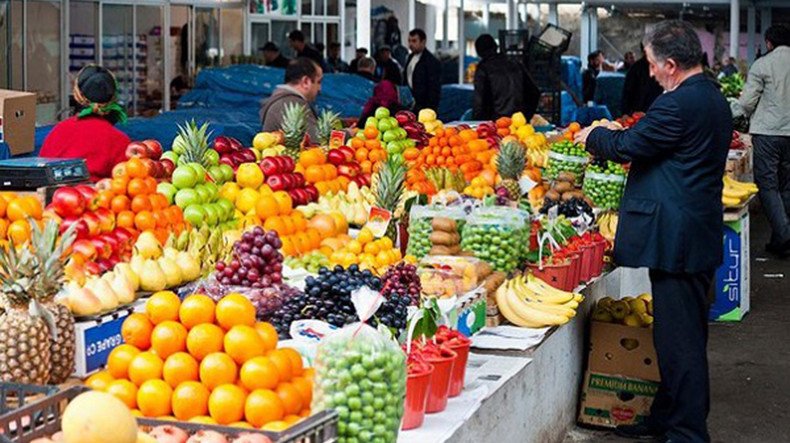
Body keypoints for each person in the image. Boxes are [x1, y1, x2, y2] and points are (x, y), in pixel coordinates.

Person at [574, 20, 732, 443]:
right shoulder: (710, 97)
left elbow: (628, 147)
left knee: (680, 345)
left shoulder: (678, 105)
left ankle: (686, 433)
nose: (649, 74)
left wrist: (596, 136)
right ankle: (666, 419)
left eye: (651, 65)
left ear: (672, 64)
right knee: (680, 337)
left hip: (677, 241)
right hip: (694, 234)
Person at [734, 24, 790, 255]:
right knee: (787, 186)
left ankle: (785, 235)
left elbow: (746, 104)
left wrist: (730, 114)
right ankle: (779, 240)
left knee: (768, 185)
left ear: (768, 42)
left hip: (768, 132)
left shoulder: (763, 64)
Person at [41, 65, 130, 182]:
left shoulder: (58, 132)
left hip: (55, 197)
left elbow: (40, 172)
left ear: (77, 95)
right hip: (100, 198)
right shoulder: (120, 141)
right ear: (114, 99)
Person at [472, 34, 540, 121]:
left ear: (478, 52)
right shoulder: (515, 63)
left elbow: (479, 103)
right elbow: (534, 92)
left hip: (496, 125)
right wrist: (525, 116)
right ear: (496, 47)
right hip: (518, 123)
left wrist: (478, 124)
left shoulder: (483, 68)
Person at [260, 57, 322, 143]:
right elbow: (317, 140)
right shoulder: (292, 105)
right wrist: (347, 133)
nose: (320, 88)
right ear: (306, 81)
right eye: (318, 82)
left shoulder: (283, 100)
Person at [404, 28, 442, 113]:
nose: (410, 44)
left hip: (425, 106)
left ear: (423, 42)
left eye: (414, 41)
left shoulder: (431, 62)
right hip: (410, 104)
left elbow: (434, 89)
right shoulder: (410, 58)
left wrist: (430, 110)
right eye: (409, 41)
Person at [621, 44, 664, 114]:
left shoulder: (661, 66)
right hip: (640, 112)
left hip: (654, 110)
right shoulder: (636, 69)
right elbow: (627, 93)